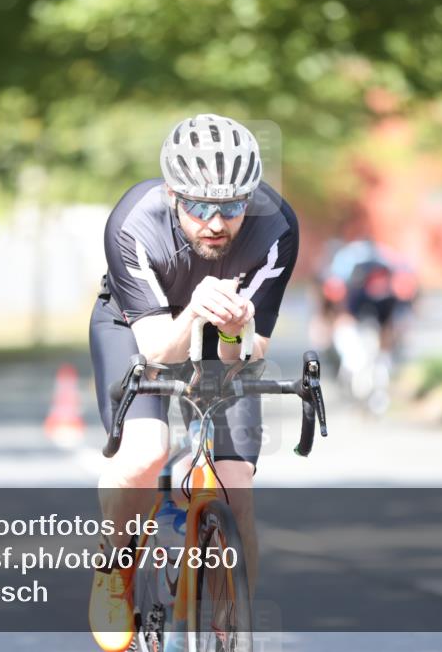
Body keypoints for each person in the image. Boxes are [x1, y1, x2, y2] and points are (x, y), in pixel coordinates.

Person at [88, 114, 299, 651]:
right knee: (144, 454)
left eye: (231, 207)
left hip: (224, 329)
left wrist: (231, 333)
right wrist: (194, 315)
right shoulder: (133, 222)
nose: (215, 222)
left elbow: (252, 351)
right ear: (170, 193)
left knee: (236, 485)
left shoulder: (277, 229)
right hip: (140, 326)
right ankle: (115, 567)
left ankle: (233, 623)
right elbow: (158, 349)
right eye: (199, 206)